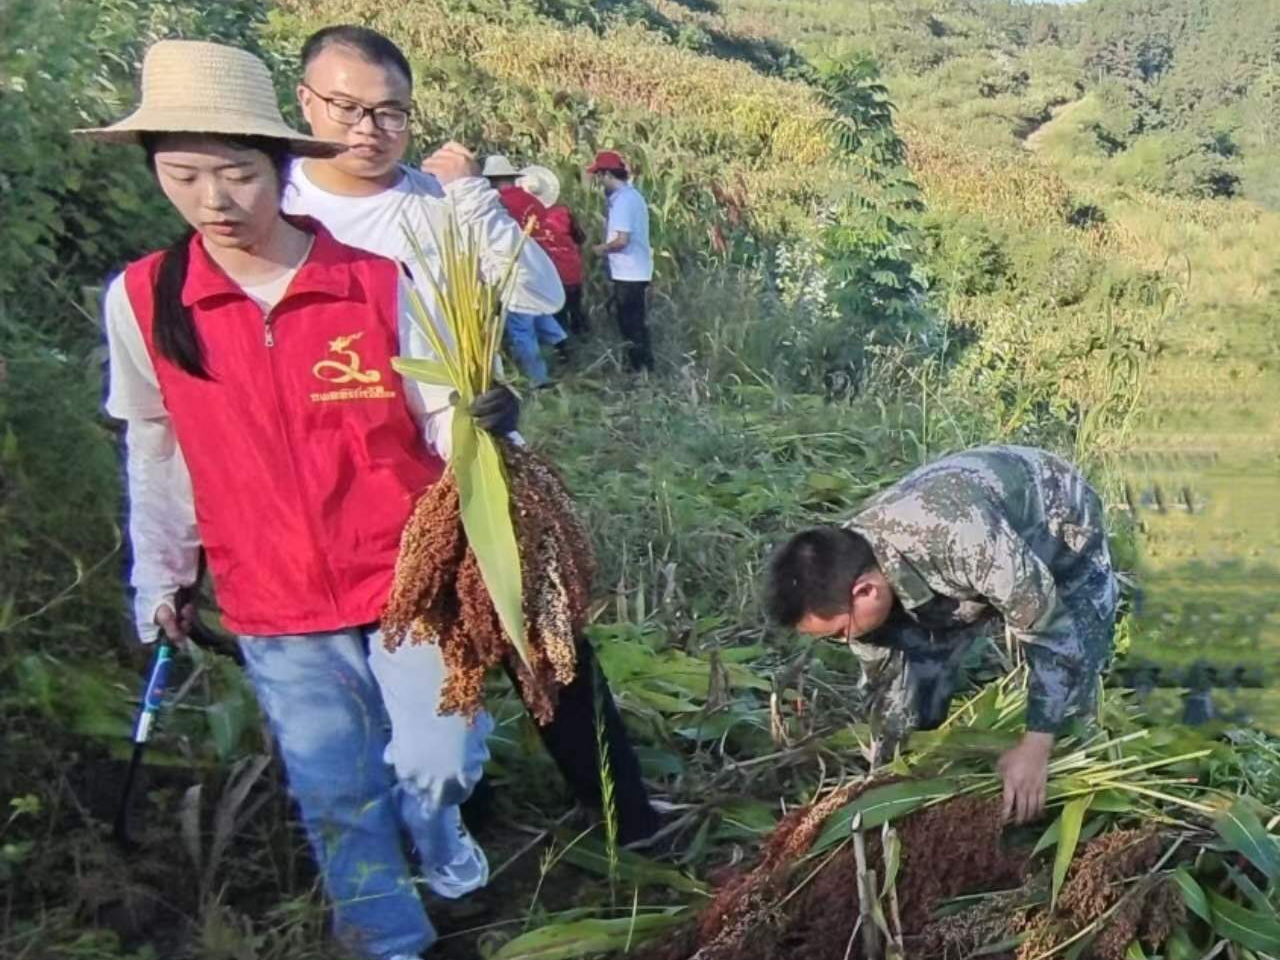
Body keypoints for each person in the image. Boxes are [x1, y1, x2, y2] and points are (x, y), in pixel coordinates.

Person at [79, 39, 510, 960]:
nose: (214, 202)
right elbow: (155, 447)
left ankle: (437, 833)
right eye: (183, 176)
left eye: (236, 174)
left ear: (282, 167)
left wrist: (493, 429)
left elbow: (445, 420)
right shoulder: (147, 300)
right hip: (273, 593)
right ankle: (395, 942)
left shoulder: (371, 282)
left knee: (439, 759)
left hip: (406, 573)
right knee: (335, 793)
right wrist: (159, 571)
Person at [288, 26, 660, 846]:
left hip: (470, 458)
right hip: (349, 479)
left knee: (547, 639)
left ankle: (624, 817)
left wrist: (469, 197)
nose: (368, 129)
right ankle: (463, 824)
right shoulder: (280, 213)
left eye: (390, 112)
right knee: (417, 660)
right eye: (346, 107)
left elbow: (534, 294)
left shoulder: (435, 203)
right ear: (305, 102)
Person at [765, 445, 1117, 825]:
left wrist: (1036, 744)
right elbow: (888, 688)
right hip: (963, 558)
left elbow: (1050, 631)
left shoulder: (959, 536)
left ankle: (1067, 789)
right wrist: (884, 781)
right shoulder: (851, 566)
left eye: (839, 633)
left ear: (865, 591)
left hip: (1056, 514)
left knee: (1074, 676)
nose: (842, 641)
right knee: (922, 679)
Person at [480, 154, 569, 383]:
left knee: (520, 325)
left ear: (492, 180)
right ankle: (565, 351)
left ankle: (538, 379)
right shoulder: (533, 201)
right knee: (538, 311)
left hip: (514, 268)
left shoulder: (497, 204)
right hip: (537, 264)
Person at [587, 150, 653, 372]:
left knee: (630, 325)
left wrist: (601, 249)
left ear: (607, 175)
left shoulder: (623, 201)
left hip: (629, 272)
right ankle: (644, 369)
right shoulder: (633, 196)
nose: (598, 181)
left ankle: (640, 370)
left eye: (599, 176)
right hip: (637, 270)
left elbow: (622, 240)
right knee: (636, 323)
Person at [518, 164, 589, 335]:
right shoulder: (564, 212)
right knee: (575, 307)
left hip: (549, 274)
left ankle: (564, 352)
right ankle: (583, 337)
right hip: (571, 269)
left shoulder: (525, 218)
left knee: (557, 313)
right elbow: (580, 238)